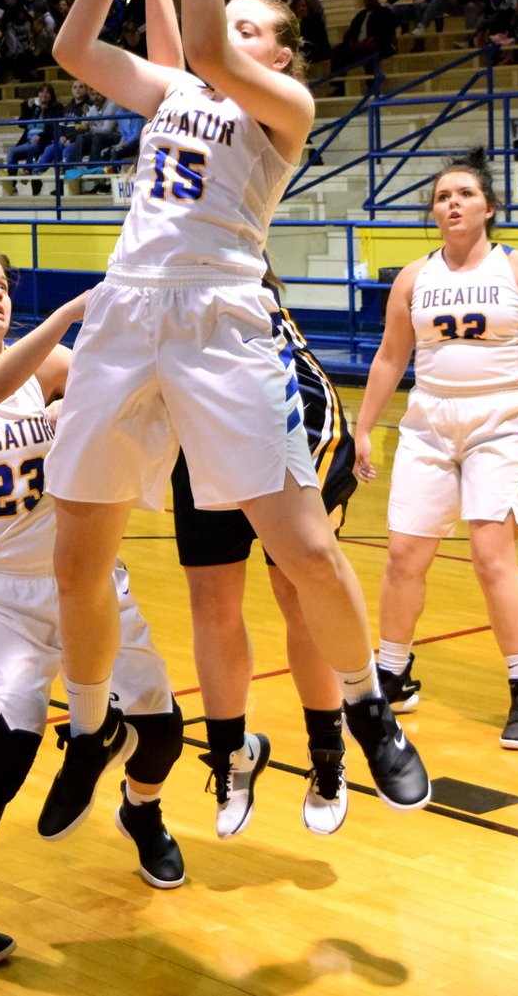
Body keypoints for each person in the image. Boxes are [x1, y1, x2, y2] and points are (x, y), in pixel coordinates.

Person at [38, 0, 430, 848]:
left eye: (259, 27)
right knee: (75, 549)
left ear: (282, 55)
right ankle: (87, 725)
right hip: (127, 313)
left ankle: (363, 704)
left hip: (221, 318)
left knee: (302, 544)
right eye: (234, 20)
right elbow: (76, 51)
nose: (236, 35)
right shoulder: (174, 96)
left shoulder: (282, 109)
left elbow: (205, 44)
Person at [0, 247, 185, 967]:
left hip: (85, 578)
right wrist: (68, 311)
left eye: (2, 284)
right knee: (12, 743)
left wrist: (72, 402)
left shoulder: (50, 369)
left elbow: (114, 387)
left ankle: (140, 809)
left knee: (164, 732)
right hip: (3, 595)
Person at [353, 148, 518, 749]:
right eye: (442, 196)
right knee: (404, 555)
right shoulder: (414, 278)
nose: (452, 203)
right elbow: (390, 357)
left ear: (488, 207)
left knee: (493, 558)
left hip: (505, 421)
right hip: (430, 424)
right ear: (433, 213)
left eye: (464, 194)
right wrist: (363, 427)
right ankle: (393, 673)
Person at [172, 288, 358, 838]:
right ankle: (232, 754)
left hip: (287, 434)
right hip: (202, 443)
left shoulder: (244, 281)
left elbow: (308, 382)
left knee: (301, 596)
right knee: (211, 604)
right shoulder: (152, 283)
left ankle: (328, 753)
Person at [330, 0, 397, 94]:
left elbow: (387, 32)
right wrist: (351, 42)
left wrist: (370, 40)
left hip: (378, 45)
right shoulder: (360, 15)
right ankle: (339, 86)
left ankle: (372, 86)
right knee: (338, 51)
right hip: (358, 46)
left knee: (370, 51)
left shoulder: (385, 13)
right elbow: (350, 33)